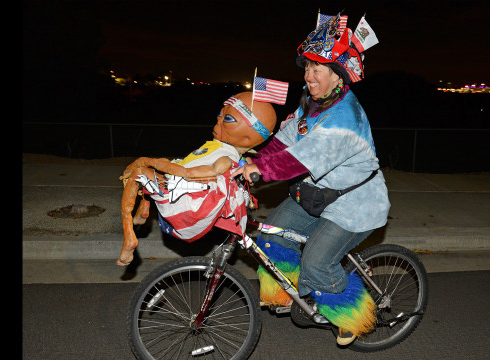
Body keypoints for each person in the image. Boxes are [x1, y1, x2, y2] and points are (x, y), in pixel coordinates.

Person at [231, 13, 390, 346]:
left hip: (353, 206)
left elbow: (302, 158)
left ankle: (353, 316)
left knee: (317, 263)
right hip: (318, 194)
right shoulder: (314, 103)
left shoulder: (345, 118)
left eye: (318, 70)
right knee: (272, 237)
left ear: (338, 76)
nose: (309, 75)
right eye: (307, 68)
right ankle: (285, 294)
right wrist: (253, 159)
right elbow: (288, 138)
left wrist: (263, 170)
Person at [117, 91, 277, 266]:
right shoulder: (222, 148)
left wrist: (147, 161)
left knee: (138, 172)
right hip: (181, 183)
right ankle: (144, 209)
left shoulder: (225, 158)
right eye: (220, 115)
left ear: (248, 136)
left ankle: (129, 239)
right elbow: (188, 164)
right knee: (150, 169)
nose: (218, 121)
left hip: (185, 199)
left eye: (228, 119)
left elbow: (189, 173)